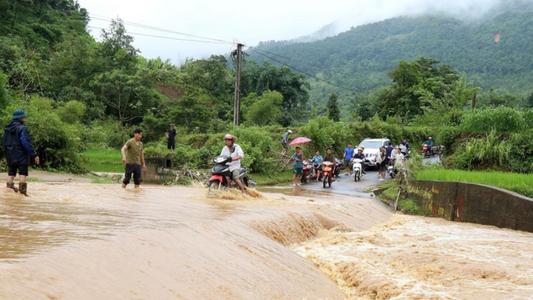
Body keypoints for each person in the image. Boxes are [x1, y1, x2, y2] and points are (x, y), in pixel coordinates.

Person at [3, 109, 39, 196]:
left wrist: (7, 154)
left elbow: (4, 143)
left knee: (11, 174)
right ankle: (22, 195)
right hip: (21, 155)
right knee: (22, 174)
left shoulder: (6, 130)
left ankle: (9, 194)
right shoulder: (22, 128)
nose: (24, 119)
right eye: (24, 117)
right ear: (20, 118)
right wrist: (34, 155)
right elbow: (25, 143)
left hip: (10, 155)